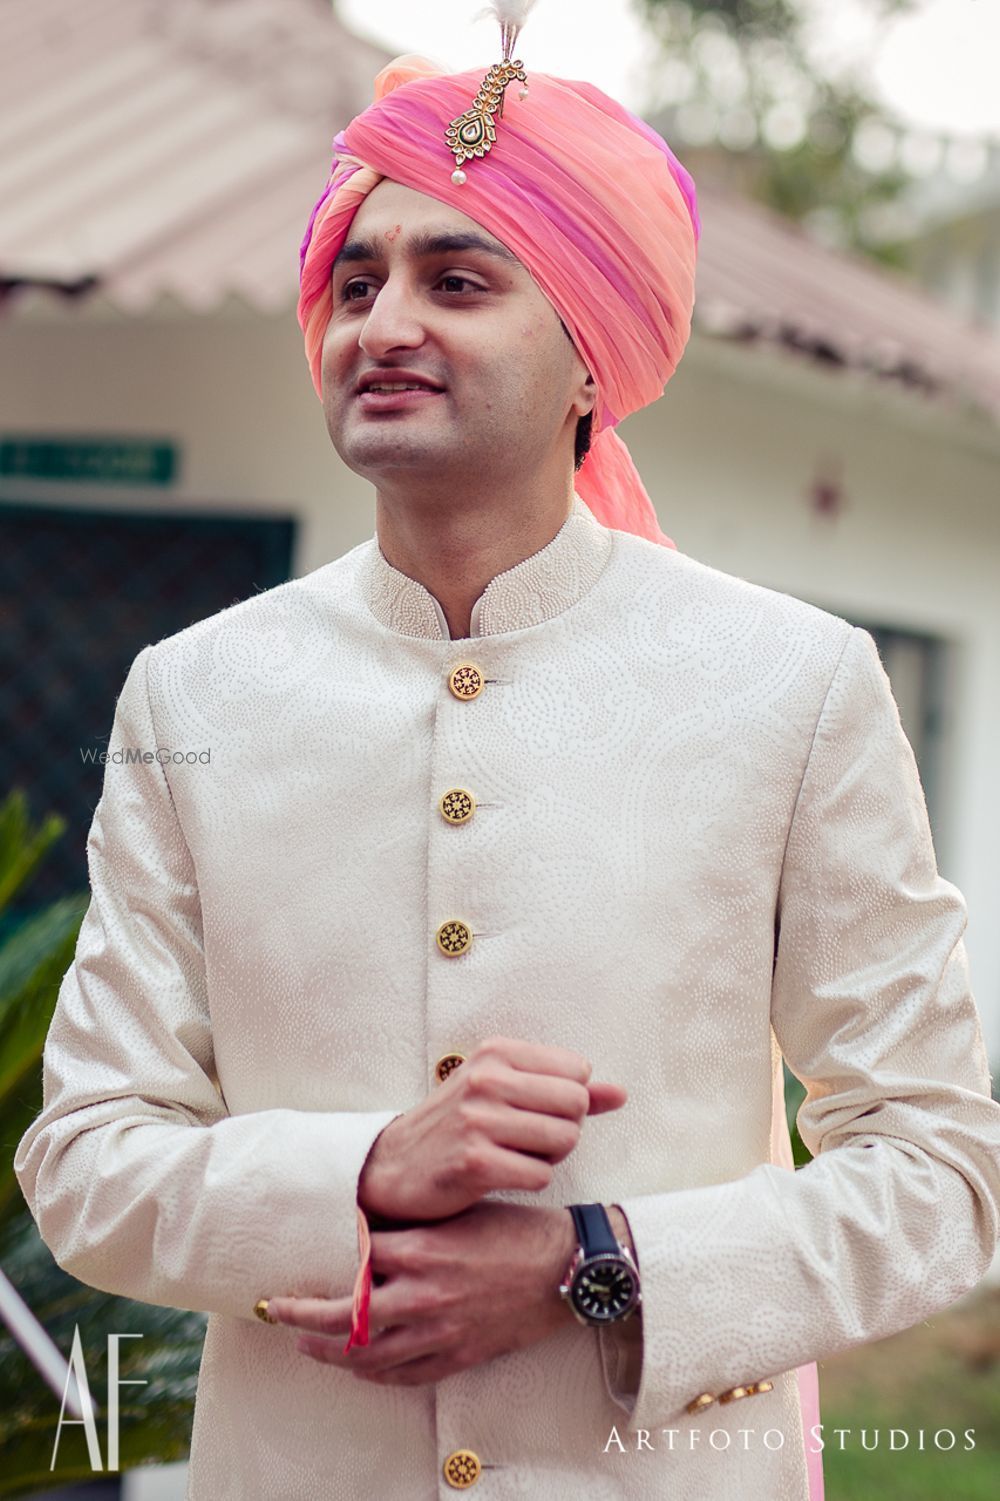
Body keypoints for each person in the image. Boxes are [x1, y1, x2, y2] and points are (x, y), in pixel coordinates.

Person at [15, 12, 1000, 1500]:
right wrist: (358, 1173)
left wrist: (588, 1265)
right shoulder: (194, 690)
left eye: (456, 279)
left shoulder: (790, 685)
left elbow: (942, 1175)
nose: (382, 322)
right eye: (356, 280)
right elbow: (86, 1156)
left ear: (589, 351)